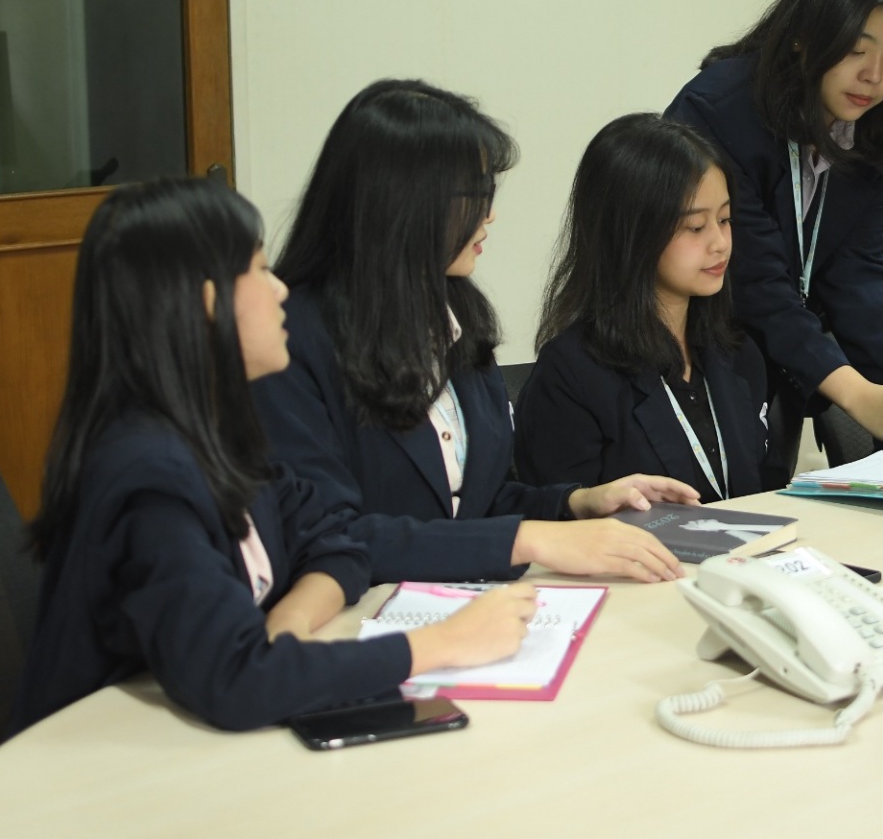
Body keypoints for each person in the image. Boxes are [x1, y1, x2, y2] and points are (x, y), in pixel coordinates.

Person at [12, 179, 539, 733]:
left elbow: (337, 540)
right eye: (261, 271)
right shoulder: (150, 476)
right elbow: (236, 678)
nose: (282, 291)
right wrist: (442, 644)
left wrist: (288, 623)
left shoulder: (216, 429)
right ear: (211, 303)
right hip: (96, 778)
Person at [251, 80, 697, 587]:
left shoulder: (458, 319)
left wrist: (577, 502)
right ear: (404, 203)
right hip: (358, 626)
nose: (490, 215)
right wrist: (526, 540)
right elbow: (328, 534)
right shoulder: (291, 342)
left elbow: (473, 503)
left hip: (468, 608)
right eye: (475, 197)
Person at [665, 0, 883, 488]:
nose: (874, 76)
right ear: (803, 37)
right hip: (692, 365)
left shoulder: (874, 130)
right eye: (857, 50)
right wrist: (858, 395)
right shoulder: (720, 111)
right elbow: (757, 281)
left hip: (778, 370)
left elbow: (855, 266)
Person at [516, 114, 767, 503]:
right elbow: (556, 522)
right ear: (631, 233)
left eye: (725, 219)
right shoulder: (571, 375)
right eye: (696, 227)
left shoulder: (737, 353)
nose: (720, 243)